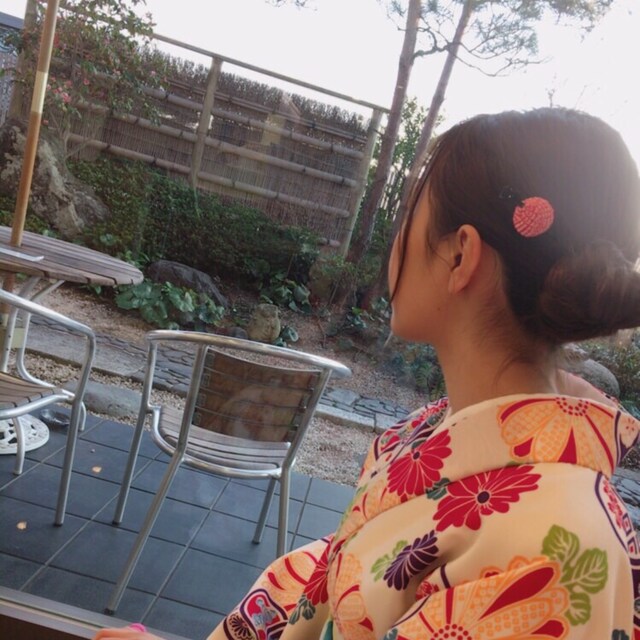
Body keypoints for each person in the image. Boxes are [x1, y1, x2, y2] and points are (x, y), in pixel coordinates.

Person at [95, 107, 640, 640]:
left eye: (409, 215)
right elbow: (337, 584)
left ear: (460, 256)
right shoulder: (433, 430)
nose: (394, 240)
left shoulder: (556, 557)